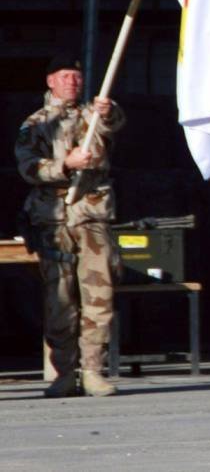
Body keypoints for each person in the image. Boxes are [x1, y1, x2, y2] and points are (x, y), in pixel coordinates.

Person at [15, 55, 125, 398]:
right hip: (54, 220)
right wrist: (66, 164)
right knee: (59, 299)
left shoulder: (92, 115)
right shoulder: (36, 123)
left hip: (92, 216)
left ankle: (92, 370)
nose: (72, 82)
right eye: (65, 76)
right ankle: (64, 372)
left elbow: (112, 124)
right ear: (51, 81)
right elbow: (28, 168)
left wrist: (108, 111)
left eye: (76, 76)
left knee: (99, 295)